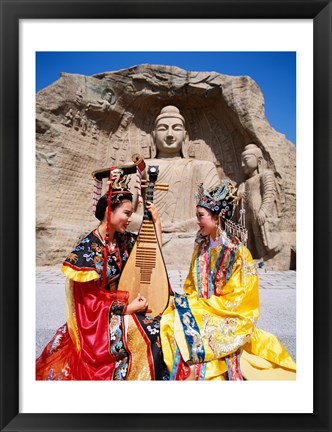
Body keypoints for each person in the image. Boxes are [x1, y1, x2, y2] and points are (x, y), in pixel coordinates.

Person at [36, 166, 169, 380]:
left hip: (121, 306)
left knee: (167, 318)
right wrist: (127, 308)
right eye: (126, 213)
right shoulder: (87, 252)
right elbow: (89, 304)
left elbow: (153, 259)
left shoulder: (123, 240)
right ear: (109, 211)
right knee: (151, 331)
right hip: (96, 322)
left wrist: (158, 224)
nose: (129, 219)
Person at [160, 180, 296, 380]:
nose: (197, 221)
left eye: (201, 216)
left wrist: (205, 305)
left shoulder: (238, 253)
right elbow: (191, 282)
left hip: (226, 314)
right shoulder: (202, 246)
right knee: (171, 319)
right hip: (203, 307)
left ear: (217, 218)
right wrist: (193, 300)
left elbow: (241, 298)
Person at [147, 105, 220, 233]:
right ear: (153, 136)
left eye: (176, 129)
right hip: (146, 235)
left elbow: (215, 212)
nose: (170, 134)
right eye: (163, 129)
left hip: (189, 237)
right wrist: (151, 225)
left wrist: (181, 227)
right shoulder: (139, 168)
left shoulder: (203, 168)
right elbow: (120, 213)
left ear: (185, 137)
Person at [238, 143, 285, 260]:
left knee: (260, 237)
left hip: (259, 213)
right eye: (241, 161)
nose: (242, 164)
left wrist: (264, 211)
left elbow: (269, 194)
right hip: (247, 215)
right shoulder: (245, 182)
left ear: (258, 160)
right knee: (249, 237)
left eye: (246, 160)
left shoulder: (266, 175)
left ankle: (264, 257)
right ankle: (252, 256)